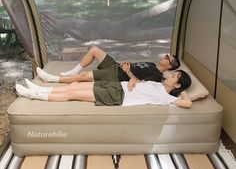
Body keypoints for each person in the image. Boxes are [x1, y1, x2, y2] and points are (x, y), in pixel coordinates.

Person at [15, 70, 192, 108]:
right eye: (173, 73)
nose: (170, 75)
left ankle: (33, 95)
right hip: (117, 85)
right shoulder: (158, 84)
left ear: (177, 85)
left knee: (72, 94)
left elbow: (188, 103)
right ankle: (40, 88)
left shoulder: (166, 98)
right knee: (74, 85)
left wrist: (181, 90)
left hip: (117, 96)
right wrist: (134, 80)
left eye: (174, 77)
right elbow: (139, 81)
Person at [36, 46, 180, 91]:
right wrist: (127, 65)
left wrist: (128, 71)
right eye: (166, 55)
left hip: (117, 75)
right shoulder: (153, 64)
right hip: (117, 66)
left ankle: (52, 78)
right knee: (94, 49)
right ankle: (73, 71)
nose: (164, 56)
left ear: (168, 66)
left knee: (84, 76)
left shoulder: (156, 76)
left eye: (167, 58)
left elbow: (139, 85)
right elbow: (137, 68)